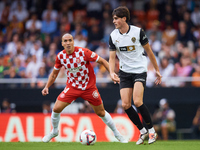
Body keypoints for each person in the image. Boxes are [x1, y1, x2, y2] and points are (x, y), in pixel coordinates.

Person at [41, 33, 127, 143]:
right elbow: (54, 74)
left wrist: (111, 73)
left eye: (70, 40)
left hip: (89, 87)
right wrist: (47, 86)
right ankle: (54, 131)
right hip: (72, 87)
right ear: (62, 43)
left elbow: (102, 61)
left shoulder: (83, 52)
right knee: (56, 108)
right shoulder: (60, 57)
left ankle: (117, 133)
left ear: (73, 42)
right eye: (65, 41)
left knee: (101, 112)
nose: (68, 43)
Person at [109, 6, 162, 145]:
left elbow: (149, 52)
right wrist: (111, 72)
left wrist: (156, 69)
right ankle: (142, 131)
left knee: (137, 102)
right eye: (113, 18)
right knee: (126, 104)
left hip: (139, 70)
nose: (114, 21)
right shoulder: (113, 36)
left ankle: (151, 131)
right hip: (124, 72)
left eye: (116, 18)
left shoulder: (138, 32)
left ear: (124, 19)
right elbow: (112, 57)